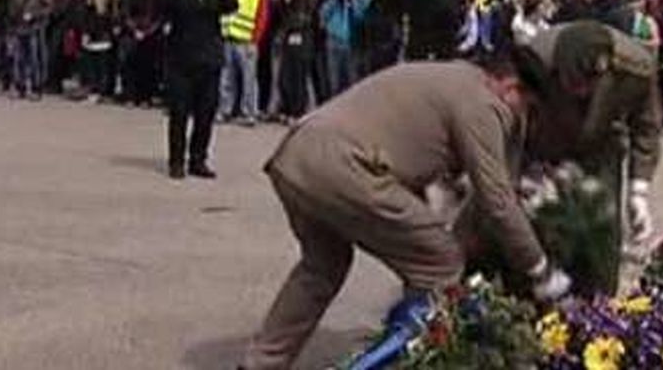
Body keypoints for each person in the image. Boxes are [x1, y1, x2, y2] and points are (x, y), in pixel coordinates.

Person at [241, 59, 570, 370]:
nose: (520, 121)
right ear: (512, 87)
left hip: (298, 155)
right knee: (441, 263)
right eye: (527, 109)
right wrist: (539, 268)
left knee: (323, 267)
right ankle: (399, 361)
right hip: (344, 167)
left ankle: (260, 364)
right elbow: (498, 201)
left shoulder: (451, 78)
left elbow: (404, 167)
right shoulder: (483, 103)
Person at [519, 20, 663, 294]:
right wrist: (527, 171)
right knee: (546, 231)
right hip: (548, 148)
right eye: (572, 85)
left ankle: (598, 311)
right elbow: (515, 117)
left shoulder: (636, 67)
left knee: (602, 236)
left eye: (587, 86)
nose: (580, 93)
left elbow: (646, 125)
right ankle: (541, 306)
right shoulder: (536, 58)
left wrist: (639, 189)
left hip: (602, 147)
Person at [163, 0, 235, 180]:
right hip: (180, 61)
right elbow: (166, 7)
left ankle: (198, 159)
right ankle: (176, 161)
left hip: (209, 60)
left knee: (205, 114)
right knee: (179, 114)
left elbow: (232, 6)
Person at [218, 0, 264, 126]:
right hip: (228, 38)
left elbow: (262, 16)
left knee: (249, 79)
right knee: (226, 78)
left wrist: (255, 40)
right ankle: (225, 110)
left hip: (247, 41)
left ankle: (249, 113)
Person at [121, 0, 167, 107]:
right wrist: (135, 29)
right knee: (131, 66)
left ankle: (145, 97)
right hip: (134, 34)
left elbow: (161, 16)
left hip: (153, 35)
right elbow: (127, 13)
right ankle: (130, 96)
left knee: (149, 68)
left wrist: (149, 31)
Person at [8, 0, 53, 100]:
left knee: (34, 59)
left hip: (34, 27)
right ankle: (19, 86)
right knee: (18, 58)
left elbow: (49, 7)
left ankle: (36, 87)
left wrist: (34, 15)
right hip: (17, 26)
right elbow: (10, 4)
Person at [318, 0, 368, 97]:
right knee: (333, 80)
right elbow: (323, 17)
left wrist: (352, 1)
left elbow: (361, 16)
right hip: (334, 41)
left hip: (351, 42)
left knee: (352, 79)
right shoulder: (331, 0)